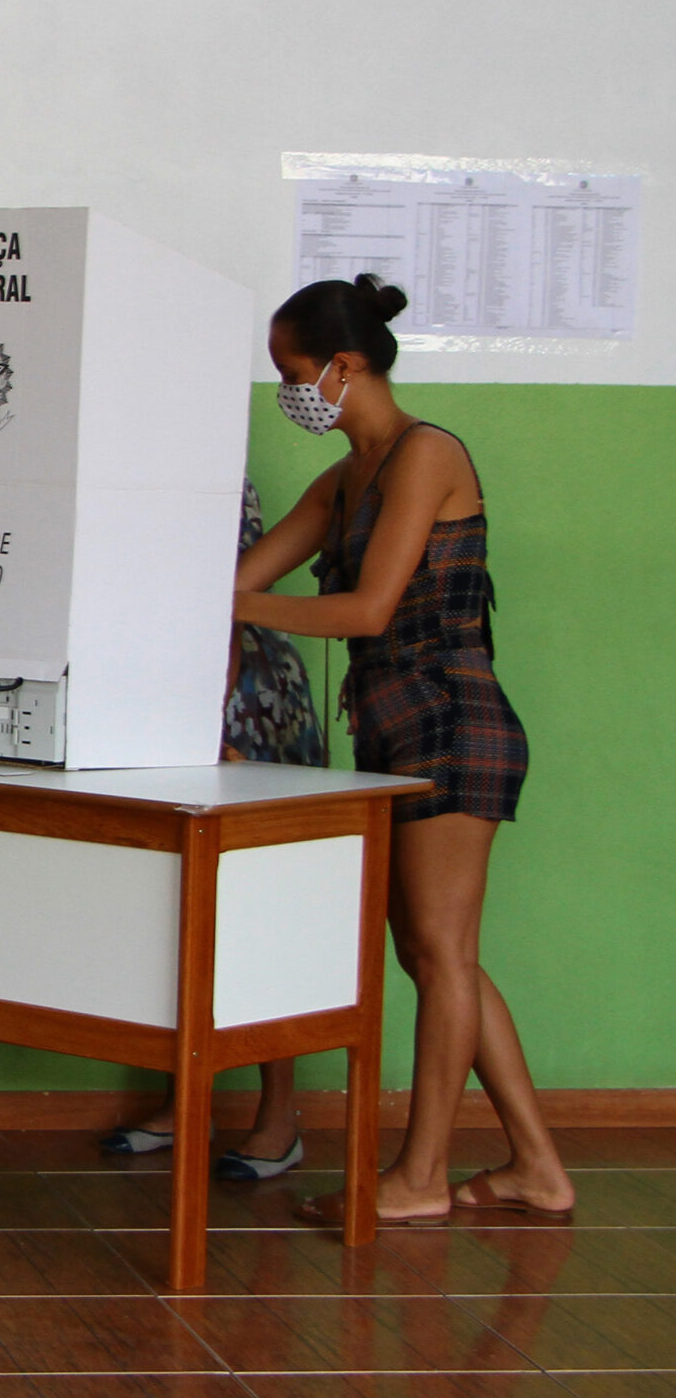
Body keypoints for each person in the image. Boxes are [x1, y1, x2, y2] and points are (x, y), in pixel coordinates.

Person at [233, 274, 571, 1224]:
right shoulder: (342, 482)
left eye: (292, 373)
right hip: (392, 732)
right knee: (438, 955)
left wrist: (228, 606)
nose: (290, 394)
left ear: (345, 365)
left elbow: (366, 609)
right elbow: (249, 576)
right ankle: (537, 1168)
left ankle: (420, 1179)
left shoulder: (428, 455)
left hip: (454, 722)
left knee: (439, 950)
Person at [99, 478, 327, 1179]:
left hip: (244, 697)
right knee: (180, 906)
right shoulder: (123, 450)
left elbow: (220, 602)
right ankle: (186, 1101)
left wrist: (207, 708)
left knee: (267, 912)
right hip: (176, 676)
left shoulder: (210, 465)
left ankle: (278, 1118)